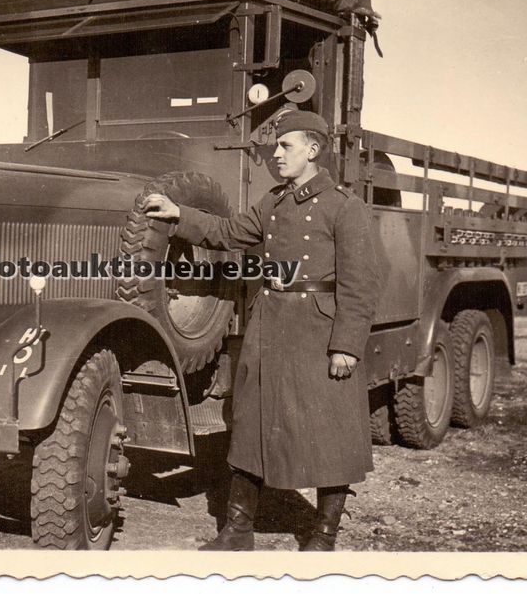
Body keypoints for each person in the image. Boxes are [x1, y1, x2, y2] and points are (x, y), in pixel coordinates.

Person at [143, 109, 382, 551]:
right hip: (270, 325)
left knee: (329, 430)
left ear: (313, 150)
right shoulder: (273, 202)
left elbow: (360, 284)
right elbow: (228, 232)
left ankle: (323, 535)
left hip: (317, 330)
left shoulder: (345, 207)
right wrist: (179, 215)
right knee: (251, 424)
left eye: (286, 146)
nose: (277, 155)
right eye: (276, 147)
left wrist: (346, 346)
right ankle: (238, 530)